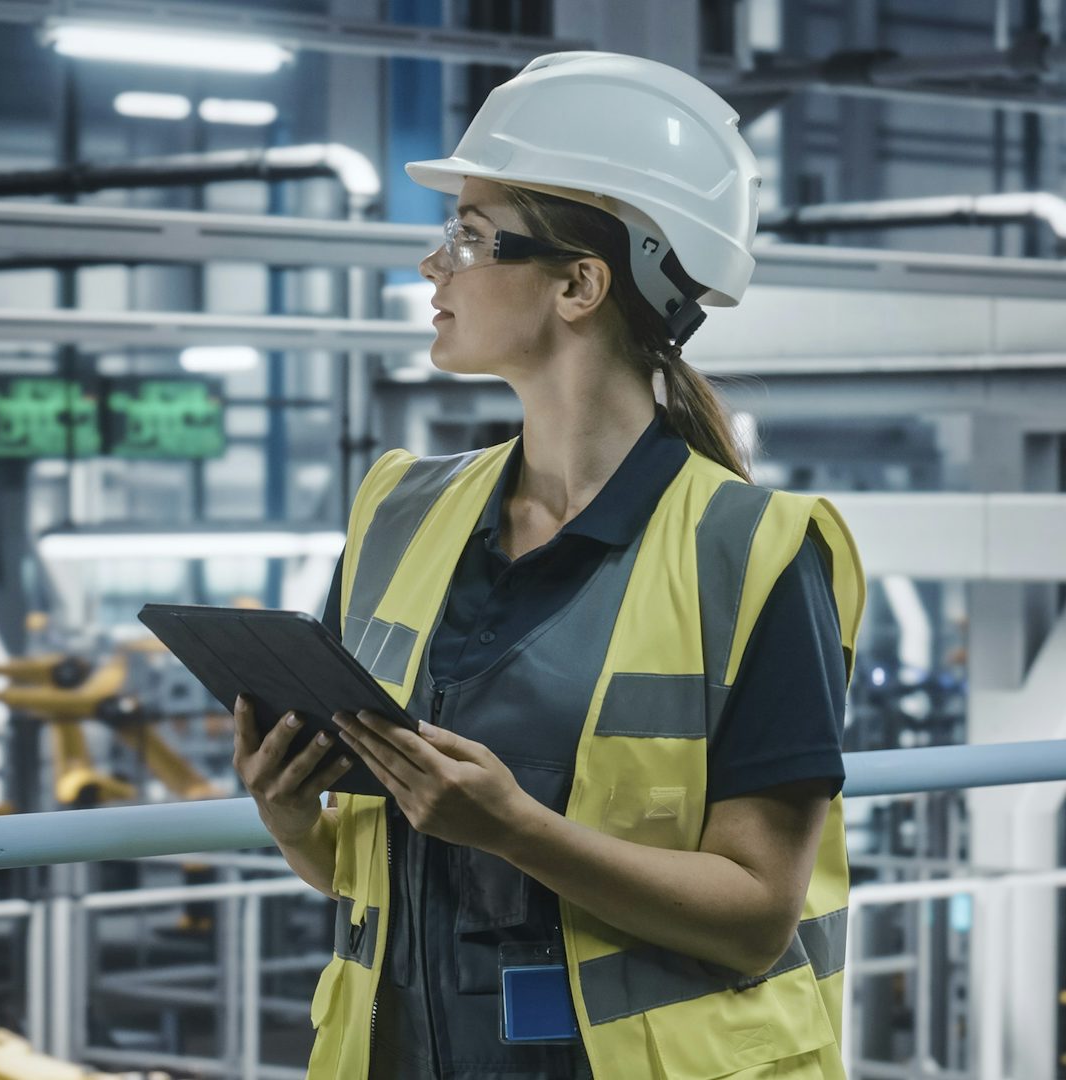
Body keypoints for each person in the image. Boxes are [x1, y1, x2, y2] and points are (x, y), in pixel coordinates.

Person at [232, 52, 866, 1079]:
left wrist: (518, 829)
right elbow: (381, 873)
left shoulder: (751, 554)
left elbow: (755, 915)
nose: (435, 268)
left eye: (471, 239)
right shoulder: (399, 514)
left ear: (579, 284)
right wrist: (294, 816)